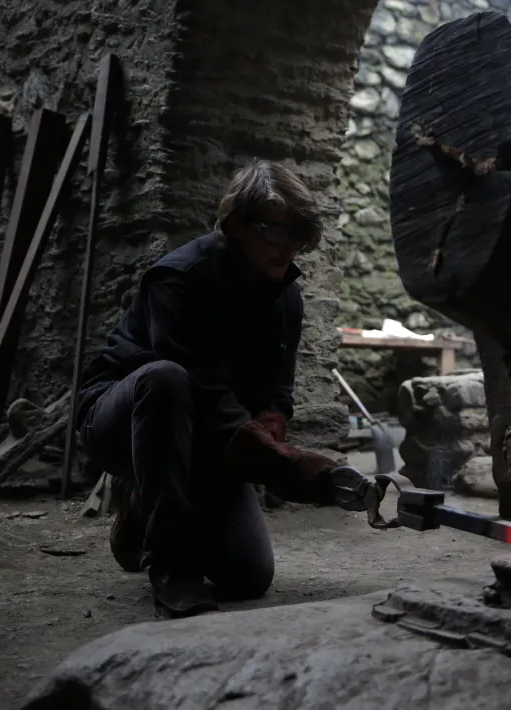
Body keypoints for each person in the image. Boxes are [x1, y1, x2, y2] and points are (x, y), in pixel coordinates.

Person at [75, 159, 338, 618]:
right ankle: (171, 568)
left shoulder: (285, 296)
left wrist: (273, 418)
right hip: (124, 419)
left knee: (248, 576)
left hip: (207, 436)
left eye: (297, 236)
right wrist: (271, 459)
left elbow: (279, 384)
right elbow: (201, 388)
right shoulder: (179, 279)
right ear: (236, 224)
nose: (288, 248)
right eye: (276, 233)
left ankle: (142, 506)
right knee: (166, 378)